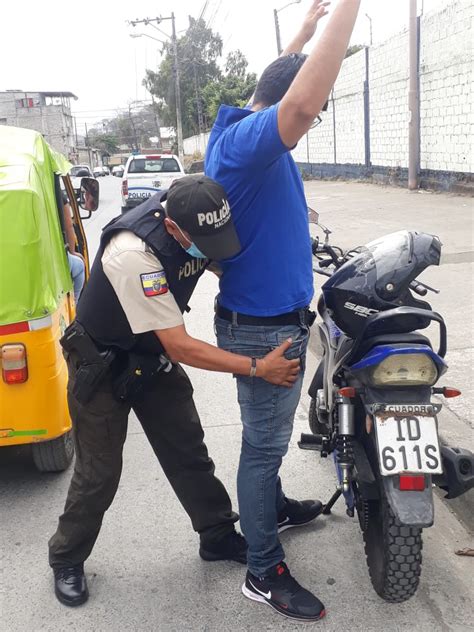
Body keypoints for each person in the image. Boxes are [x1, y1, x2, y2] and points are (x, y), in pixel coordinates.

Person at [48, 175, 302, 608]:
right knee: (99, 473)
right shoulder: (133, 253)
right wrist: (258, 367)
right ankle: (66, 557)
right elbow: (180, 345)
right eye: (203, 242)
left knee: (187, 449)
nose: (212, 249)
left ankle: (217, 534)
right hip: (102, 364)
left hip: (150, 358)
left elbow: (227, 262)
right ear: (171, 228)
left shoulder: (204, 216)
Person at [205, 0, 361, 622]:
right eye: (314, 112)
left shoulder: (240, 123)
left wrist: (307, 25)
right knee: (262, 449)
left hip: (273, 318)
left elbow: (276, 85)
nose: (311, 119)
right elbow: (295, 103)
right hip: (263, 331)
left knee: (261, 440)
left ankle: (273, 507)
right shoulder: (247, 143)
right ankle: (263, 570)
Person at [62, 192, 85, 303]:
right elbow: (69, 226)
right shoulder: (54, 192)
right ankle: (73, 306)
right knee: (79, 265)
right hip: (51, 260)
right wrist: (72, 251)